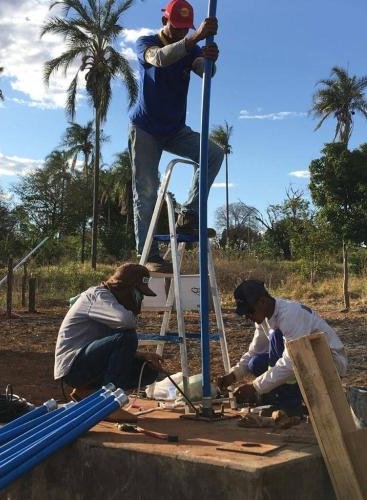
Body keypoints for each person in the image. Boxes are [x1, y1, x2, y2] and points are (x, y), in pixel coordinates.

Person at [129, 0, 224, 273]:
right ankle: (149, 255)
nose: (181, 32)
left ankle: (189, 214)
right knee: (146, 191)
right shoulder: (145, 43)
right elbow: (159, 59)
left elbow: (204, 71)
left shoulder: (191, 47)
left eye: (186, 29)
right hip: (145, 128)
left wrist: (209, 60)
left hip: (174, 130)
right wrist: (195, 38)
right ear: (164, 21)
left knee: (214, 153)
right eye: (177, 26)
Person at [217, 279, 347, 412]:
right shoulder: (264, 319)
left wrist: (255, 387)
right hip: (304, 362)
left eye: (250, 312)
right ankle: (282, 399)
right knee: (255, 363)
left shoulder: (290, 316)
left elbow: (290, 362)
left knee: (276, 336)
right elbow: (254, 352)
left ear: (262, 301)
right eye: (245, 314)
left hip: (329, 364)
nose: (248, 317)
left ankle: (289, 405)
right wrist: (233, 375)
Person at [54, 263, 163, 401]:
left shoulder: (114, 303)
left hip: (88, 361)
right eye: (138, 293)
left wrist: (142, 355)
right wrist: (132, 311)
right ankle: (108, 402)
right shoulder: (98, 296)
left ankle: (86, 392)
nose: (140, 299)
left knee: (148, 370)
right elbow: (126, 321)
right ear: (125, 288)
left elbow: (112, 348)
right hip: (73, 368)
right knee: (128, 337)